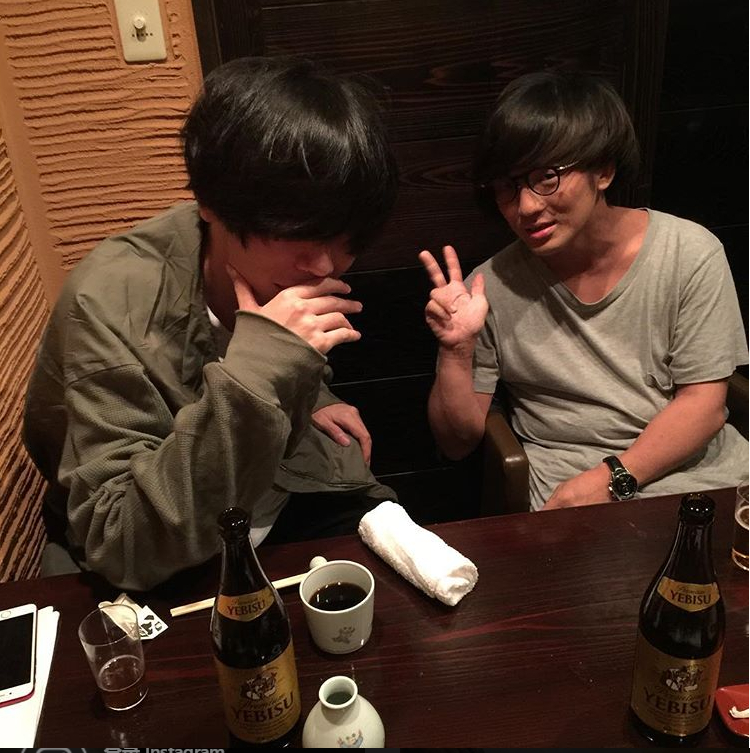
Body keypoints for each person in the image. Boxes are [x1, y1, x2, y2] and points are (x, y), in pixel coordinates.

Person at [23, 56, 399, 590]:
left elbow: (272, 353)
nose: (324, 267)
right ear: (210, 204)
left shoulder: (286, 266)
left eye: (347, 240)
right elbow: (118, 538)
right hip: (174, 555)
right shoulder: (108, 304)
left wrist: (314, 393)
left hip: (278, 495)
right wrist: (259, 373)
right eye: (298, 234)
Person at [419, 70, 748, 511]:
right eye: (508, 186)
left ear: (604, 170)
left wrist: (612, 477)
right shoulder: (486, 289)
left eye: (547, 177)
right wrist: (456, 351)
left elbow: (703, 404)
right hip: (570, 497)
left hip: (706, 480)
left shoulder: (688, 252)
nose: (526, 207)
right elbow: (457, 442)